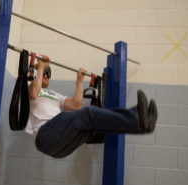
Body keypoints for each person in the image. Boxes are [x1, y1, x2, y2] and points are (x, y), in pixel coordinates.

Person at [25, 55, 158, 158]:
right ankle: (136, 118)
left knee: (94, 126)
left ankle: (142, 125)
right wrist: (41, 67)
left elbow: (75, 105)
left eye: (48, 74)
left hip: (60, 147)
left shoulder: (53, 94)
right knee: (88, 113)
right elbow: (33, 94)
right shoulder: (28, 88)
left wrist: (79, 81)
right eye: (44, 74)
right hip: (44, 135)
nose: (46, 76)